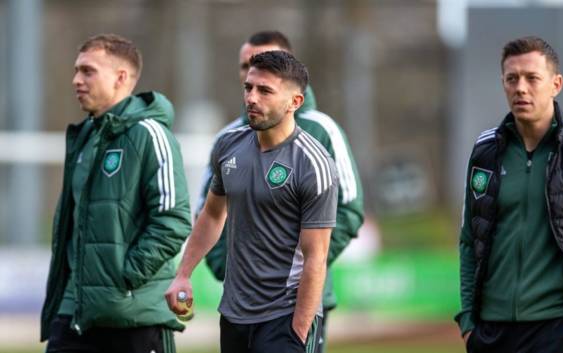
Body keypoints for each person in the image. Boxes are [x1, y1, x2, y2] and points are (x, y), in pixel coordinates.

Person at [195, 30, 364, 353]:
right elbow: (209, 208)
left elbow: (350, 210)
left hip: (299, 301)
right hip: (240, 304)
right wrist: (224, 265)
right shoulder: (229, 138)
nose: (252, 73)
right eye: (246, 66)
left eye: (262, 67)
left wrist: (296, 269)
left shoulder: (321, 131)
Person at [166, 50, 338, 353]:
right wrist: (183, 274)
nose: (251, 98)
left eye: (265, 91)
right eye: (249, 88)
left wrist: (298, 331)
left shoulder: (313, 163)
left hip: (284, 317)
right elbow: (212, 215)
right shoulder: (228, 145)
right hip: (234, 315)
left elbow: (316, 257)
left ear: (294, 102)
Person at [40, 34, 192, 353]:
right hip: (74, 311)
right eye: (76, 71)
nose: (76, 80)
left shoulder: (150, 133)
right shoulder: (83, 136)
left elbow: (173, 220)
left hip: (132, 315)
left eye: (88, 71)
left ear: (121, 78)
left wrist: (124, 276)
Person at [456, 36, 563, 353]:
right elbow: (468, 240)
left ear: (556, 84)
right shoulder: (484, 152)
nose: (521, 87)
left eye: (532, 78)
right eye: (512, 78)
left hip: (558, 330)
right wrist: (468, 322)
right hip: (491, 333)